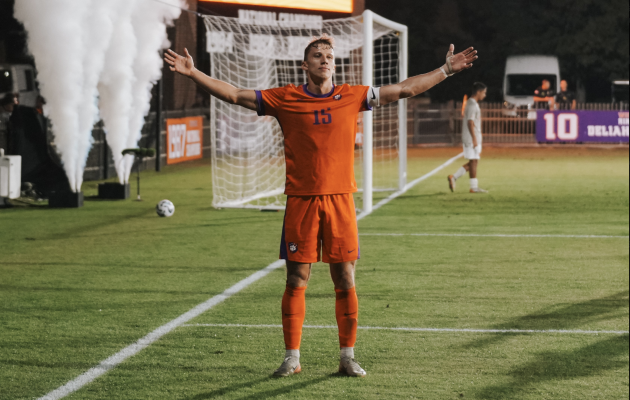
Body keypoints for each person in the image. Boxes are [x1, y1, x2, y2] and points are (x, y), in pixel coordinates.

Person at [165, 35, 478, 378]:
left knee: (345, 277)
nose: (325, 60)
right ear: (305, 64)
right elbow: (236, 95)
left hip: (340, 200)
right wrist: (195, 74)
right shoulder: (285, 98)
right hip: (301, 201)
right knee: (297, 278)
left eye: (329, 55)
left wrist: (445, 70)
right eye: (317, 55)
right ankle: (292, 357)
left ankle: (347, 357)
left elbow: (403, 89)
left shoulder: (352, 96)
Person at [448, 82, 488, 193]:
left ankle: (455, 178)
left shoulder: (473, 103)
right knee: (473, 161)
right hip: (471, 139)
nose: (485, 95)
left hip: (474, 138)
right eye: (484, 92)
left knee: (474, 162)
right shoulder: (471, 104)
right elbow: (470, 122)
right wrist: (474, 138)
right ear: (478, 92)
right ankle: (472, 187)